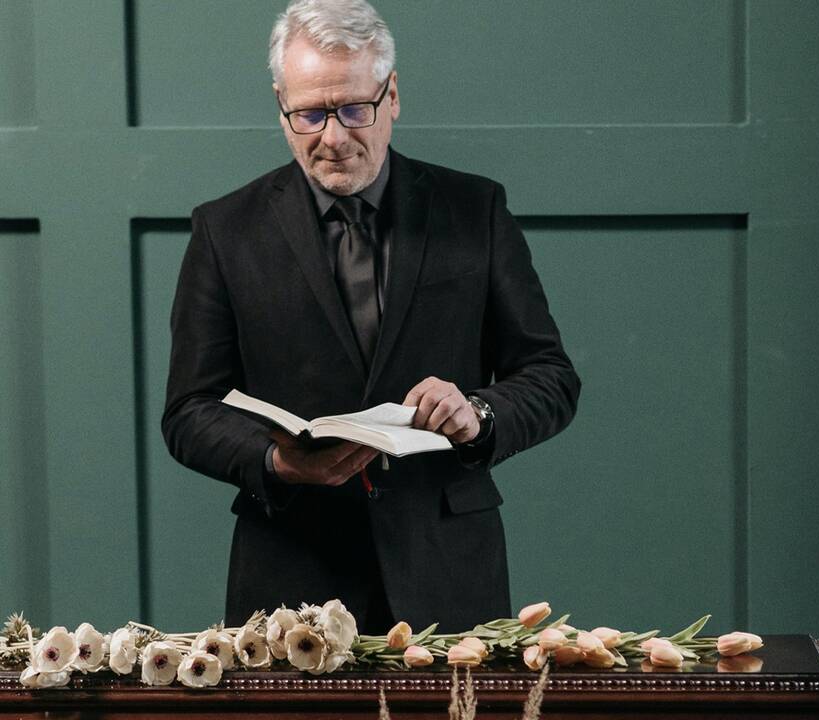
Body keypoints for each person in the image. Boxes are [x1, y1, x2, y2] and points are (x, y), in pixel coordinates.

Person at [162, 0, 579, 633]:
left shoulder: (476, 210)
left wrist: (478, 414)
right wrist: (278, 462)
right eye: (309, 114)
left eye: (355, 109)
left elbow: (551, 376)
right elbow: (189, 411)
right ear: (280, 105)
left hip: (448, 574)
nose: (332, 138)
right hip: (288, 579)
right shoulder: (224, 230)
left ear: (393, 96)